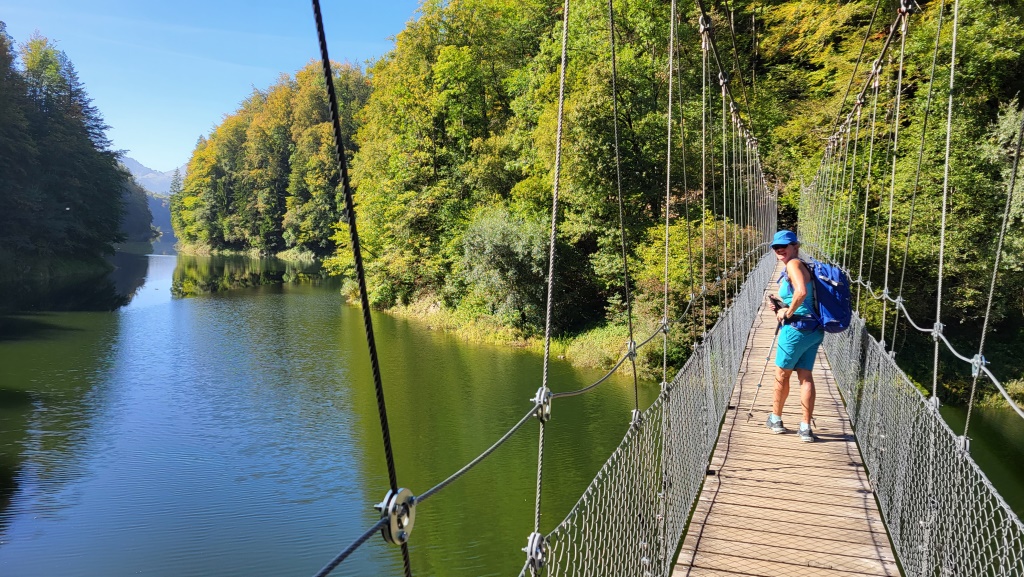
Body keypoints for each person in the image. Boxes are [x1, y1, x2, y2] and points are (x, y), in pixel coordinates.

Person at [765, 230, 823, 442]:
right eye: (775, 246)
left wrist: (786, 312)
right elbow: (802, 295)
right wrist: (782, 306)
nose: (779, 249)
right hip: (813, 330)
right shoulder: (803, 265)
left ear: (795, 246)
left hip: (795, 330)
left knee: (782, 374)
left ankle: (776, 419)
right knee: (805, 375)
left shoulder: (793, 265)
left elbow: (801, 292)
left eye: (784, 245)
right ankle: (805, 428)